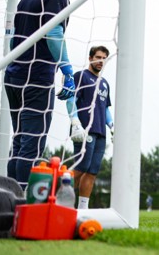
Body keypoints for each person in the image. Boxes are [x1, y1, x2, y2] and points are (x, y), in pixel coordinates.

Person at [3, 0, 82, 191]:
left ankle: (10, 195)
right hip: (36, 78)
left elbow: (14, 40)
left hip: (14, 76)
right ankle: (22, 201)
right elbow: (54, 34)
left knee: (20, 140)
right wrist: (67, 71)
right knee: (32, 143)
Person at [67, 45, 114, 209]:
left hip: (101, 132)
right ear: (90, 58)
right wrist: (75, 121)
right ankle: (61, 201)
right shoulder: (80, 76)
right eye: (99, 57)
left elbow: (106, 108)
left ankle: (82, 208)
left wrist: (112, 125)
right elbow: (71, 99)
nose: (101, 61)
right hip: (84, 130)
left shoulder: (105, 83)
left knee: (92, 172)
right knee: (81, 167)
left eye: (104, 59)